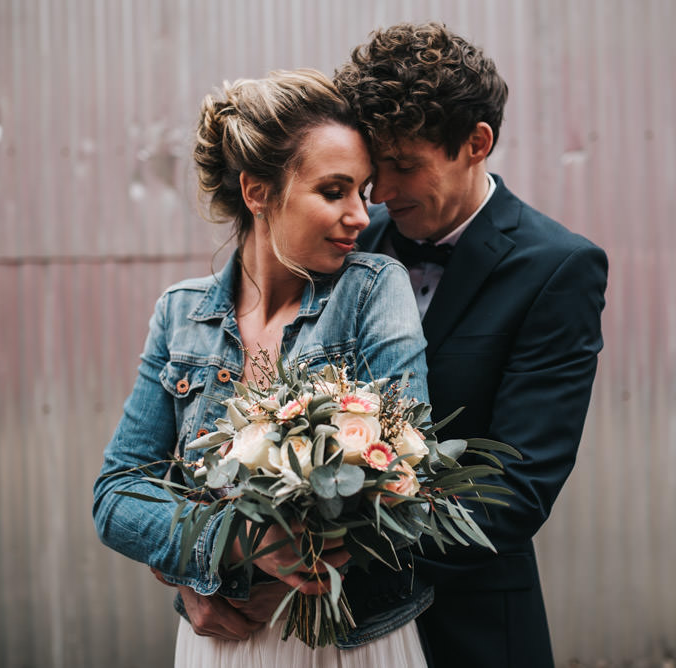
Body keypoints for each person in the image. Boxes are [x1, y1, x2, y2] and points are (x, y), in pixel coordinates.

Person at [92, 69, 430, 666]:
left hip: (349, 641)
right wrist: (220, 550)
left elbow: (408, 478)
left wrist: (198, 556)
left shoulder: (375, 291)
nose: (361, 215)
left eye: (364, 191)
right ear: (258, 193)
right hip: (222, 641)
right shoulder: (181, 313)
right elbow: (117, 495)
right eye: (334, 191)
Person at [334, 22, 609, 667]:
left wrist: (333, 546)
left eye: (404, 166)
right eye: (375, 168)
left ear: (476, 143)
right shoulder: (347, 242)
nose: (381, 193)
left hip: (472, 630)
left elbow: (516, 486)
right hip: (329, 629)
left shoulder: (558, 268)